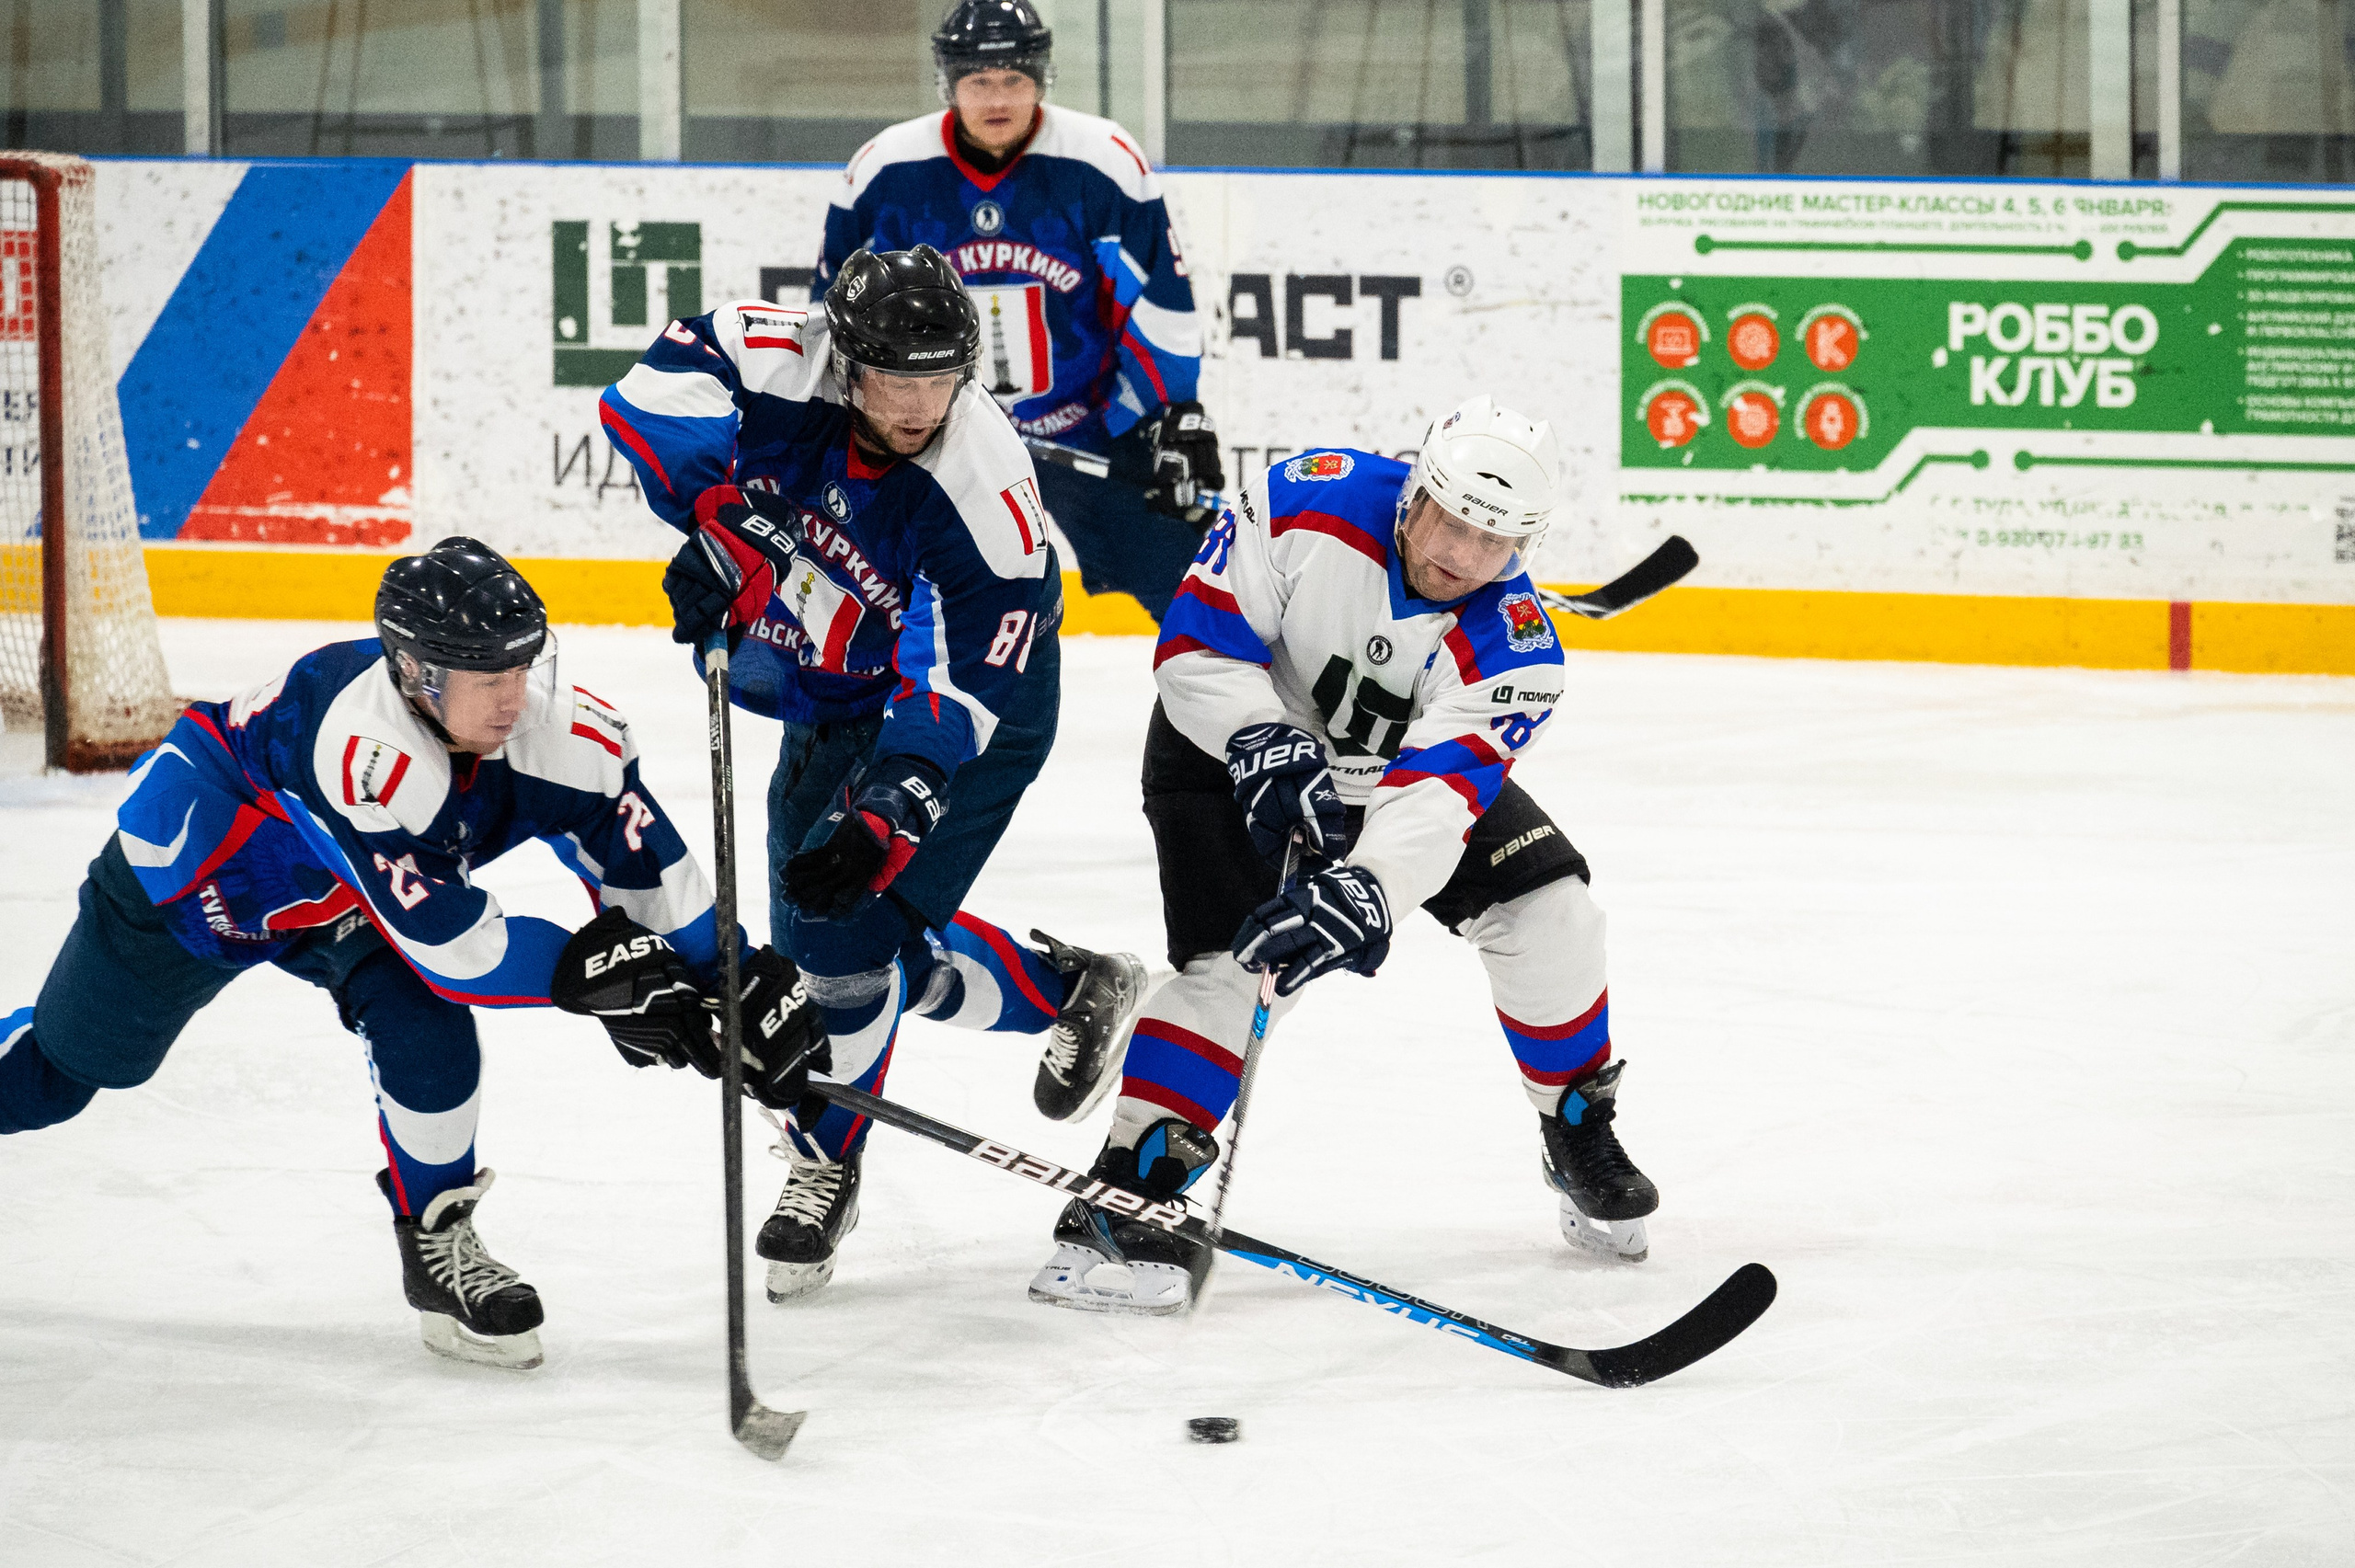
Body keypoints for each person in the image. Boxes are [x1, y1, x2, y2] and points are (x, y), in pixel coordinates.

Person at [0, 539, 823, 1368]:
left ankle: (438, 1249)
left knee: (424, 1026)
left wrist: (730, 973)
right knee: (57, 1077)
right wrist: (601, 978)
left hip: (352, 893)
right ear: (419, 675)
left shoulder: (555, 731)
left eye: (521, 668)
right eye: (487, 677)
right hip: (208, 875)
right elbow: (459, 949)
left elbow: (647, 874)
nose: (515, 697)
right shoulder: (361, 746)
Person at [599, 243, 1148, 1303]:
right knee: (823, 941)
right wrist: (717, 518)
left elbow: (959, 696)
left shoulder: (982, 498)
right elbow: (646, 393)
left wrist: (890, 812)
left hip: (969, 714)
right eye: (896, 377)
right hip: (832, 681)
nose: (918, 403)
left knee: (843, 937)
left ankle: (825, 1156)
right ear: (845, 358)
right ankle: (1069, 989)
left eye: (941, 378)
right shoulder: (780, 359)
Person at [1028, 399, 1662, 1317]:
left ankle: (1576, 1127)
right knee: (1231, 967)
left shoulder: (1516, 648)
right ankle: (1135, 1181)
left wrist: (1367, 888)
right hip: (1222, 751)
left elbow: (1438, 795)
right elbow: (1196, 650)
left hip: (1391, 780)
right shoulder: (1302, 502)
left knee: (1549, 908)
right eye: (1449, 521)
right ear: (1413, 496)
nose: (1461, 554)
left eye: (1492, 541)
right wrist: (1261, 735)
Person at [809, 0, 1223, 624]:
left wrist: (1172, 413)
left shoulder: (1101, 160)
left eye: (1014, 79)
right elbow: (837, 318)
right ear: (950, 83)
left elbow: (1154, 303)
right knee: (905, 604)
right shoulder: (886, 171)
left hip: (1088, 428)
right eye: (979, 80)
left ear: (1041, 79)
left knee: (1198, 596)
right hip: (934, 438)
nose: (997, 97)